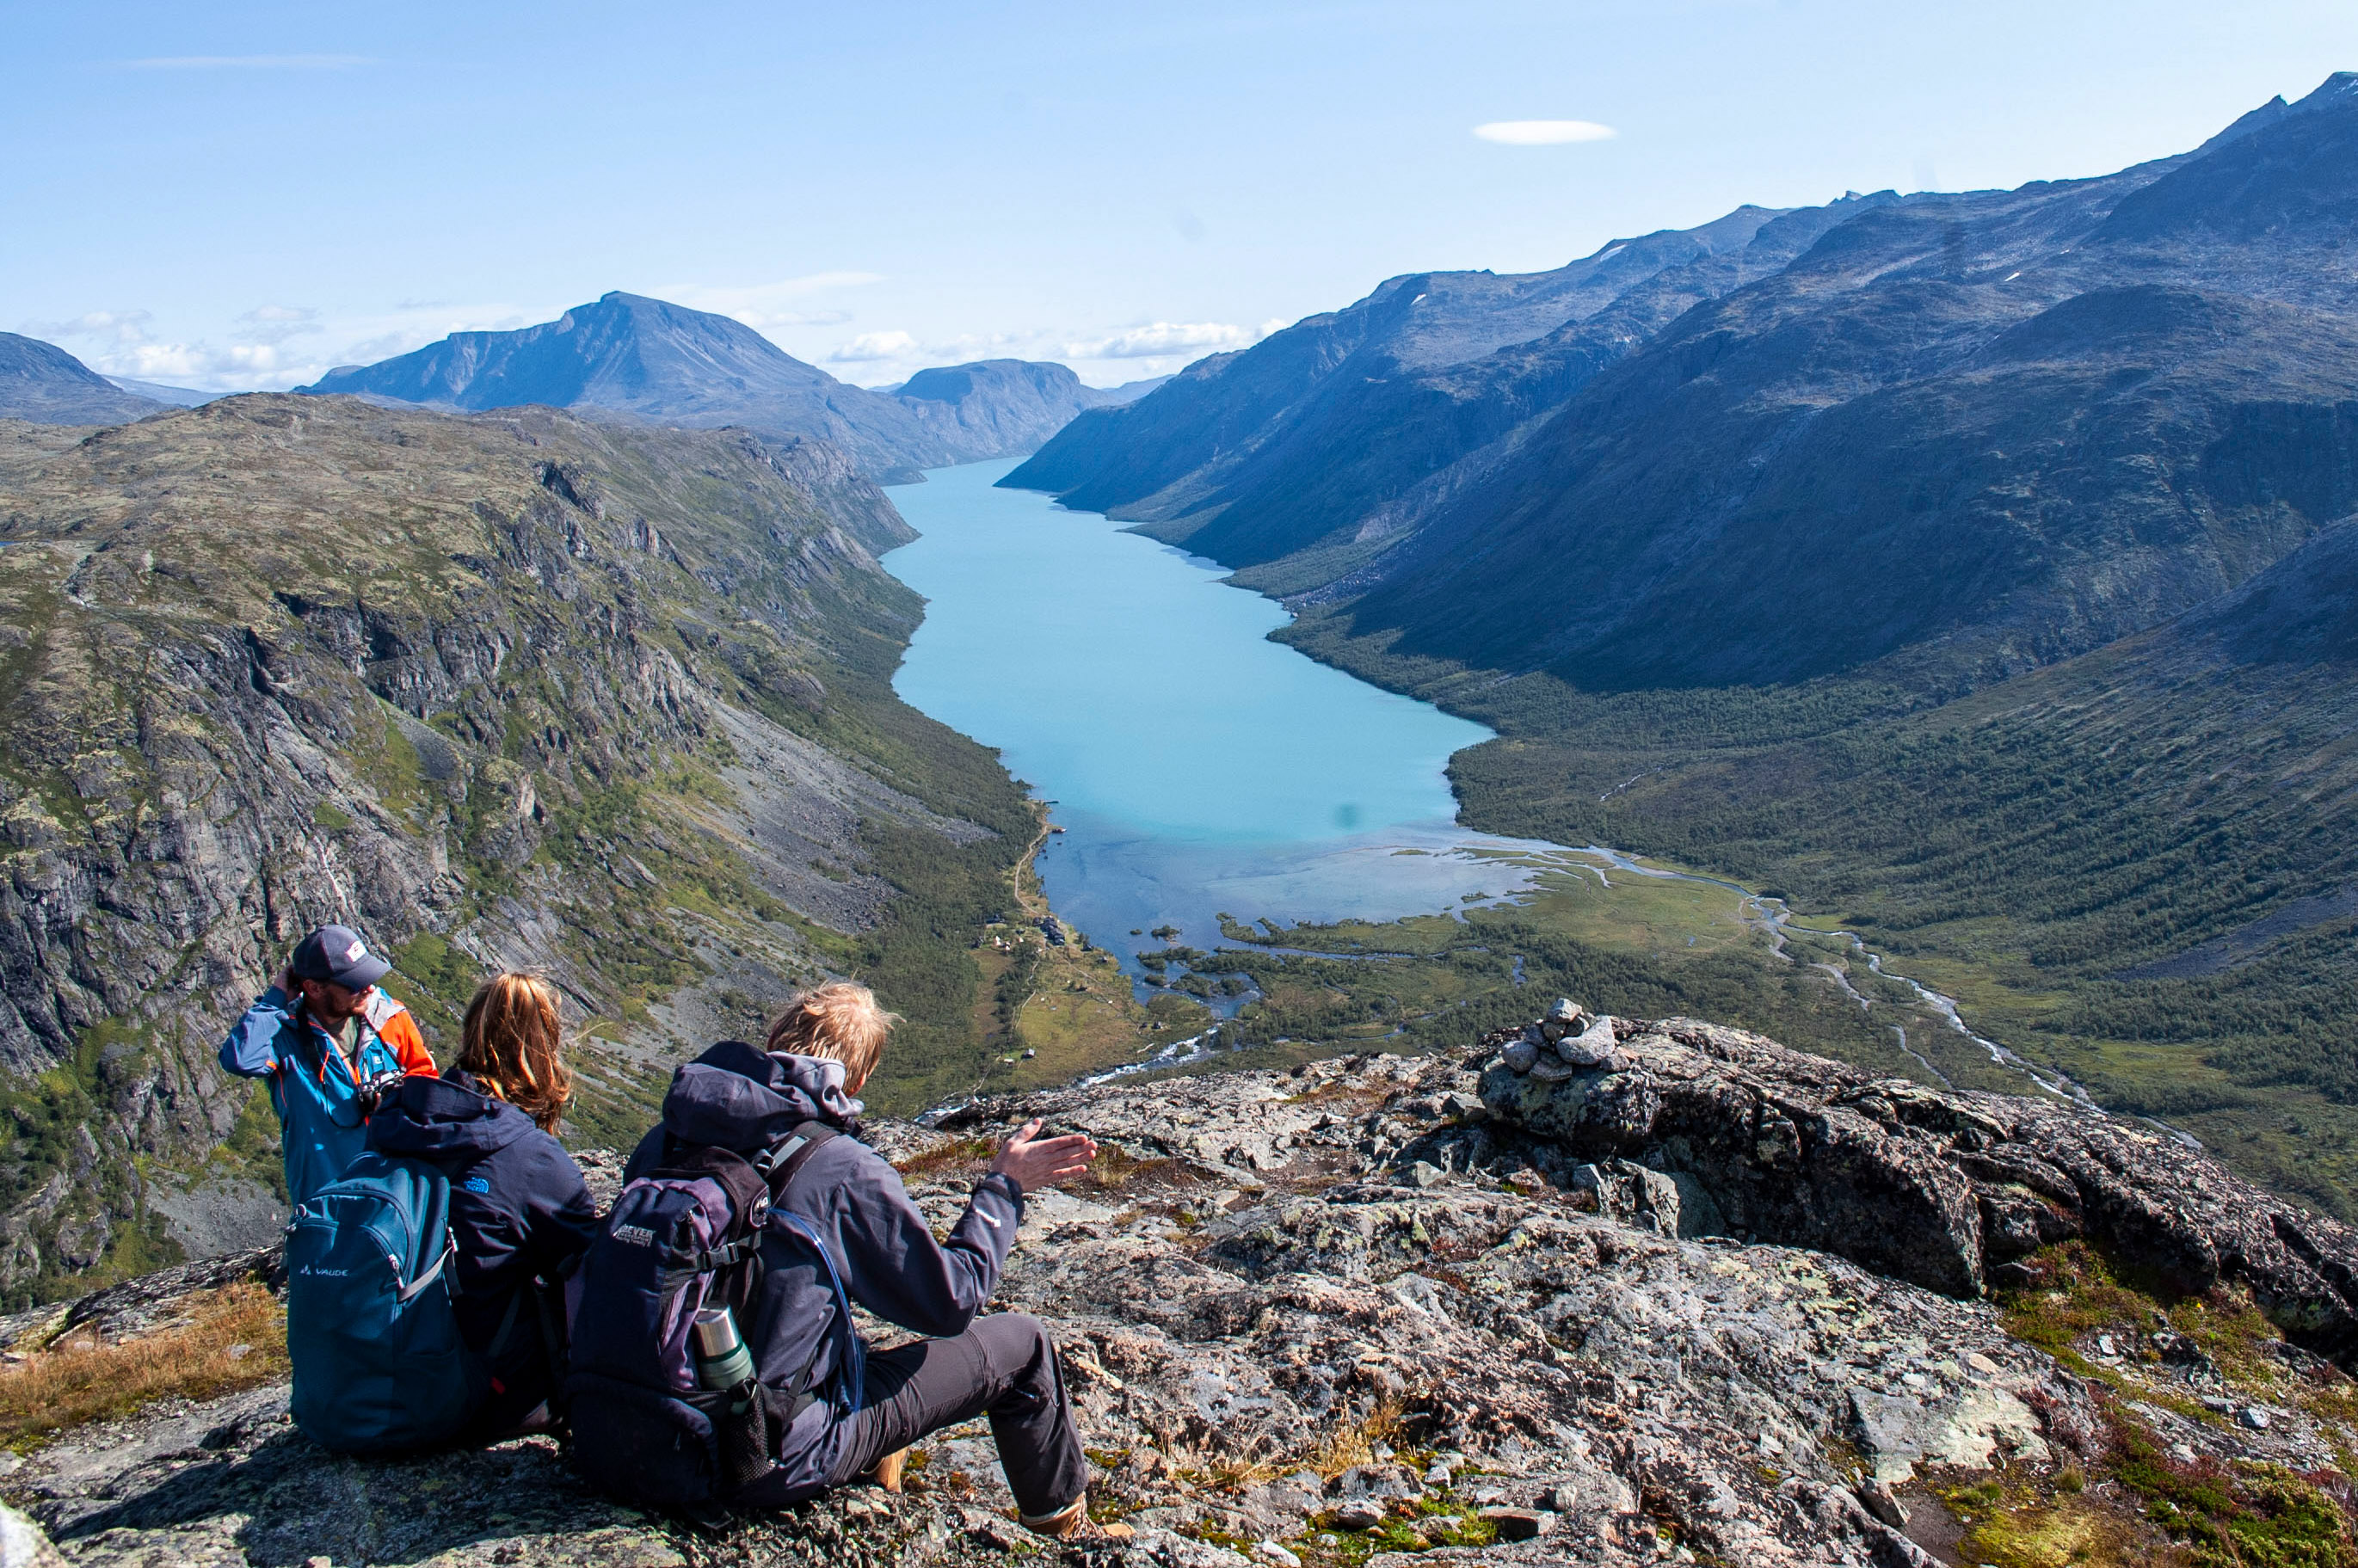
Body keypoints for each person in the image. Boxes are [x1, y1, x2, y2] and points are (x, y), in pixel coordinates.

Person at [615, 982, 1120, 1537]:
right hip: (757, 1459)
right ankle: (1062, 1528)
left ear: (774, 1041)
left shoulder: (666, 1139)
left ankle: (880, 1464)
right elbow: (950, 1302)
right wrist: (1004, 1186)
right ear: (855, 1082)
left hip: (623, 1434)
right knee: (1023, 1346)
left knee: (843, 1342)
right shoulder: (840, 1169)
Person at [366, 972, 600, 1438]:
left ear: (471, 1029)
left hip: (383, 1376)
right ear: (543, 1047)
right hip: (485, 1397)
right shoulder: (531, 1158)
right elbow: (591, 1268)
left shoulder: (402, 1121)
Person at [219, 924, 437, 1208]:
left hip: (399, 1197)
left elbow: (429, 1087)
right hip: (328, 1207)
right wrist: (276, 998)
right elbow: (240, 1058)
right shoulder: (285, 1038)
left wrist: (397, 1107)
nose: (369, 988)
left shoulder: (389, 1016)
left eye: (367, 977)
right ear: (314, 987)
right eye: (355, 983)